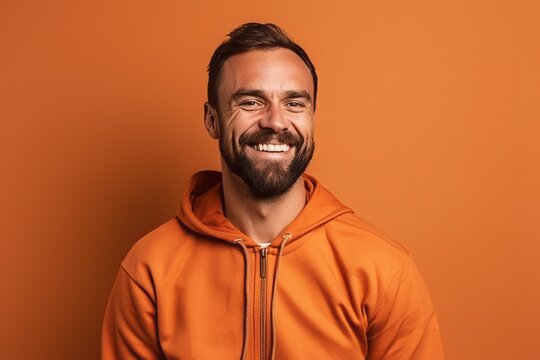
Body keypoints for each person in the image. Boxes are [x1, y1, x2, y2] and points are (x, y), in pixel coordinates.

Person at [102, 23, 444, 359]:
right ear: (212, 120)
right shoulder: (149, 268)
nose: (276, 121)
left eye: (295, 103)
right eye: (251, 102)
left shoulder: (383, 269)